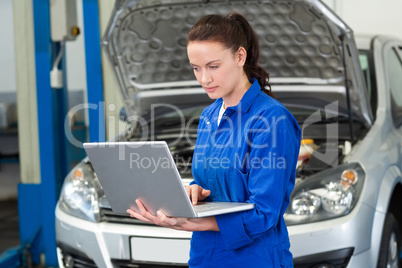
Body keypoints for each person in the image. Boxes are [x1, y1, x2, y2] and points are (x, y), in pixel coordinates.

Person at [127, 12, 301, 267]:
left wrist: (192, 223)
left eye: (213, 66)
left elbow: (265, 213)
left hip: (254, 259)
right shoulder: (209, 116)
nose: (204, 79)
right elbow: (214, 181)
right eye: (196, 68)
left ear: (240, 56)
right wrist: (195, 192)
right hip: (204, 256)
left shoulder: (272, 120)